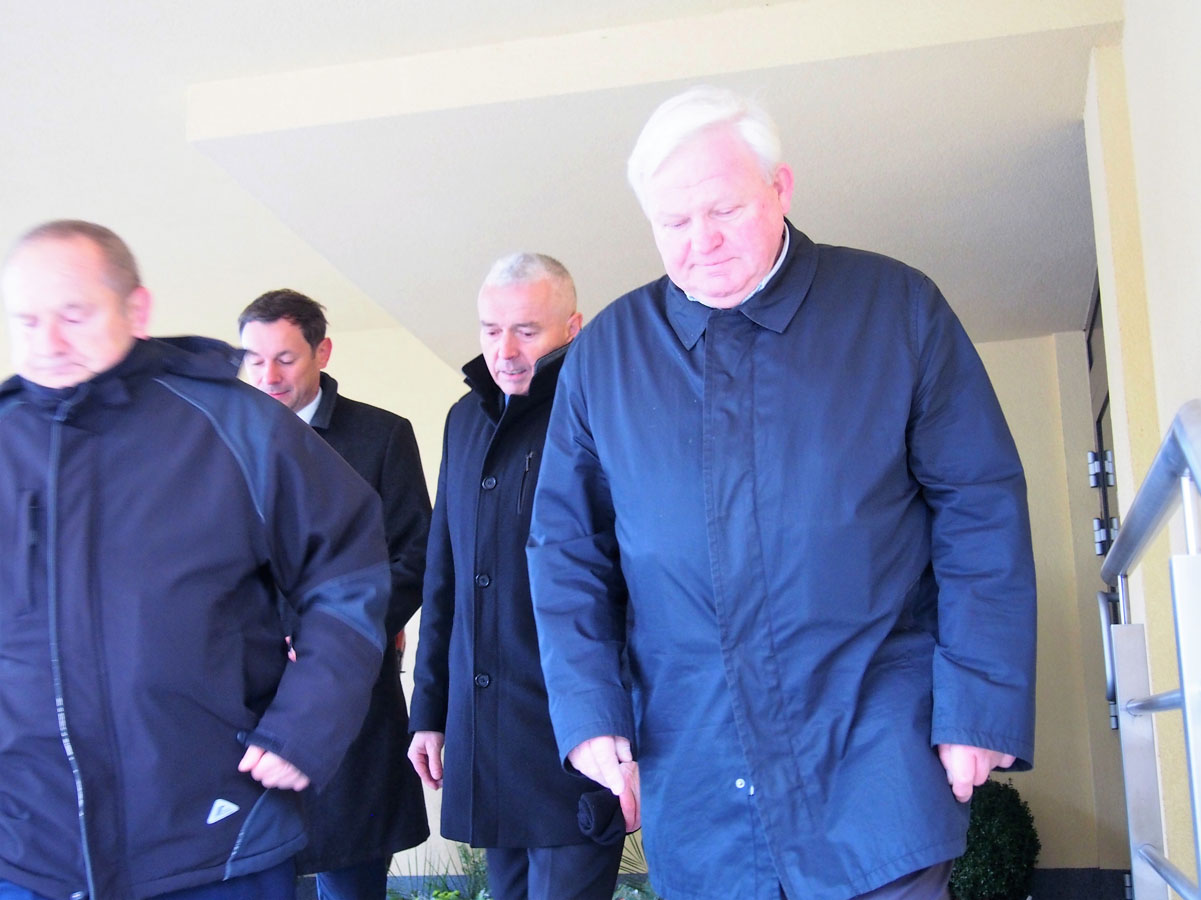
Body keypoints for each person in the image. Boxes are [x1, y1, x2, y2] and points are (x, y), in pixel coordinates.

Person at [526, 86, 1037, 900]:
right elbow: (565, 548)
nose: (701, 241)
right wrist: (589, 712)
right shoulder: (605, 356)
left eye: (723, 209)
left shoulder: (895, 308)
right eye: (673, 222)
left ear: (781, 187)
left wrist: (977, 703)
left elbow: (979, 508)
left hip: (876, 752)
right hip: (696, 764)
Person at [0, 220, 392, 900]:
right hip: (27, 853)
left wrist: (309, 722)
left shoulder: (236, 426)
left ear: (137, 309)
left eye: (74, 315)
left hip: (214, 842)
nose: (49, 343)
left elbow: (347, 569)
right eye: (27, 321)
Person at [407, 254, 630, 900]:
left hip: (574, 736)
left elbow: (635, 581)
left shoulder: (604, 411)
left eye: (526, 331)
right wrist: (430, 711)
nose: (504, 351)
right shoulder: (463, 419)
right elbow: (443, 575)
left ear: (572, 328)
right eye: (490, 329)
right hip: (485, 735)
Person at [238, 290, 432, 900]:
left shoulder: (381, 436)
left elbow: (416, 556)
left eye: (285, 359)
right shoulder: (221, 440)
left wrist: (331, 636)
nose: (268, 376)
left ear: (322, 353)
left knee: (349, 874)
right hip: (248, 697)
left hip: (348, 693)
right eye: (254, 360)